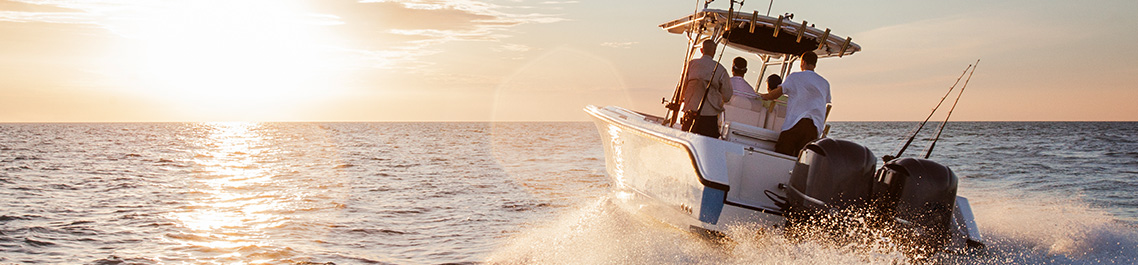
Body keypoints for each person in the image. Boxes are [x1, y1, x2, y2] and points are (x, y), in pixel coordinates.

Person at [760, 52, 831, 156]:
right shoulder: (825, 83)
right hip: (814, 127)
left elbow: (775, 94)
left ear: (803, 62)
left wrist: (763, 96)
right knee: (801, 159)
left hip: (795, 123)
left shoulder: (795, 77)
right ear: (815, 64)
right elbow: (826, 102)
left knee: (782, 155)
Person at [680, 39, 733, 138]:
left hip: (690, 112)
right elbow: (727, 96)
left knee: (686, 138)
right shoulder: (721, 70)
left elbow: (682, 86)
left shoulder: (691, 65)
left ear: (701, 50)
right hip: (709, 117)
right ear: (714, 52)